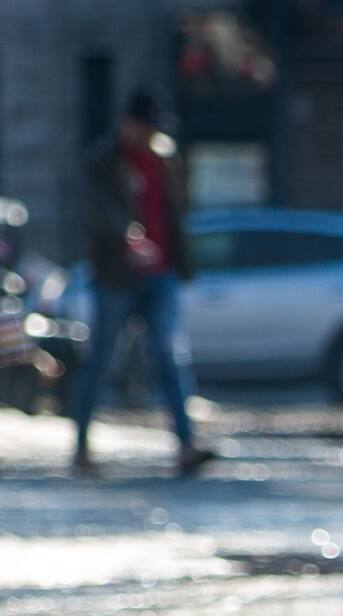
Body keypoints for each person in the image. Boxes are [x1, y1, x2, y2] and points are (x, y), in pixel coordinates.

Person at [71, 89, 213, 477]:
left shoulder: (167, 158)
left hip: (161, 273)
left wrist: (181, 261)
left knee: (170, 356)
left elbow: (176, 214)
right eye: (145, 127)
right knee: (99, 360)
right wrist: (126, 238)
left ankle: (186, 445)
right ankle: (81, 446)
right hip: (116, 276)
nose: (150, 135)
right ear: (127, 124)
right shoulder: (103, 161)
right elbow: (99, 210)